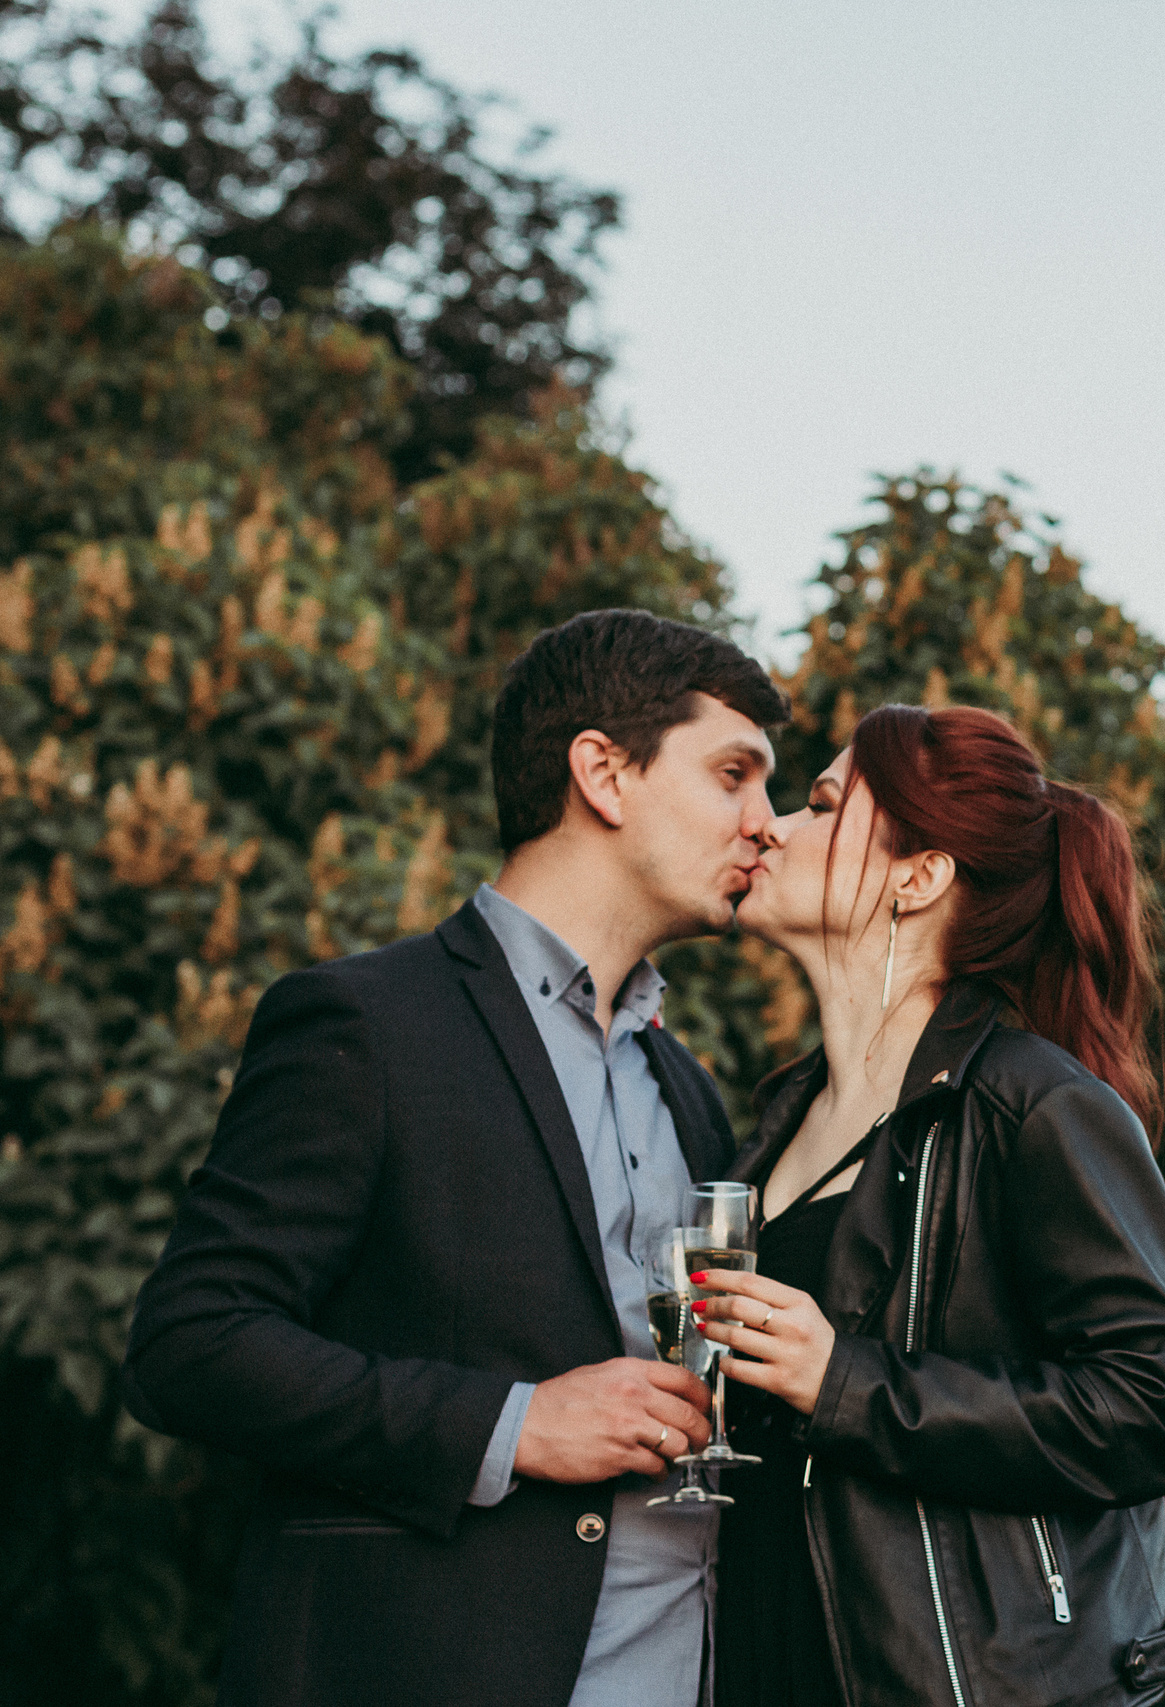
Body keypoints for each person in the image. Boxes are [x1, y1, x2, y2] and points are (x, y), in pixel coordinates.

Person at [122, 610, 791, 1707]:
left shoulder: (692, 1090)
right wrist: (515, 1424)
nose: (767, 825)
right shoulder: (367, 1023)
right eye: (734, 775)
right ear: (603, 775)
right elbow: (190, 1345)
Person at [695, 704, 1165, 1707]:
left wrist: (842, 1380)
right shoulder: (774, 1122)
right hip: (772, 1658)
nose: (772, 827)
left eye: (821, 803)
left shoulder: (1033, 1103)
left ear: (918, 874)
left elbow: (1157, 1410)